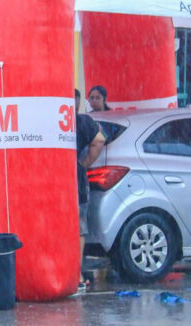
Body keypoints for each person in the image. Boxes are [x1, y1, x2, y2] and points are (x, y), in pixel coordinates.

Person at [75, 89, 106, 291]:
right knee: (78, 228)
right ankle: (76, 273)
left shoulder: (50, 120)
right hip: (77, 180)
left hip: (51, 182)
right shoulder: (83, 122)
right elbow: (100, 140)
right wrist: (84, 163)